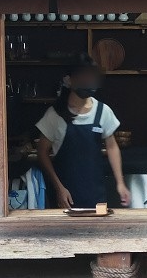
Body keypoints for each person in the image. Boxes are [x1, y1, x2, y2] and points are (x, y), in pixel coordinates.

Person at [36, 54, 131, 209]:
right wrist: (59, 188)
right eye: (83, 76)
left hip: (96, 194)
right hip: (66, 197)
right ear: (69, 80)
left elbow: (112, 147)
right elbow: (42, 152)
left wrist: (120, 183)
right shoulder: (55, 114)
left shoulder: (102, 111)